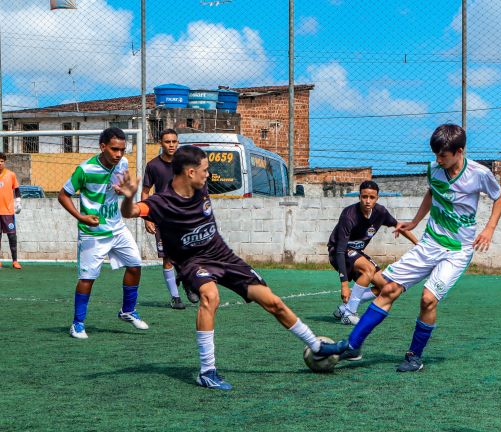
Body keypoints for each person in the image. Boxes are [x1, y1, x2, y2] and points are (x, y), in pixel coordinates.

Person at [117, 145, 328, 390]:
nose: (209, 175)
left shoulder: (201, 186)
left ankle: (317, 346)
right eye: (205, 170)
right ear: (190, 173)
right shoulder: (162, 202)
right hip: (192, 262)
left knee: (272, 302)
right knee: (210, 296)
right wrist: (130, 196)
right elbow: (132, 211)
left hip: (222, 255)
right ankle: (207, 371)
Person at [320, 124, 501, 372]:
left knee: (428, 300)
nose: (438, 160)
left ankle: (414, 356)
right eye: (436, 155)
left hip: (458, 250)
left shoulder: (479, 173)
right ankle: (352, 346)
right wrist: (417, 221)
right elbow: (432, 193)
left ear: (459, 151)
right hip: (430, 243)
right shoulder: (434, 170)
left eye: (443, 155)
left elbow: (500, 197)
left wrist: (489, 229)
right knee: (388, 289)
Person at [58, 127, 148, 339]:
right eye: (114, 149)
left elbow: (121, 186)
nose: (119, 154)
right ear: (103, 147)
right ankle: (77, 323)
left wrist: (122, 190)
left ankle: (127, 310)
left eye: (122, 150)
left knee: (135, 265)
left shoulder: (122, 164)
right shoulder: (85, 169)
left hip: (117, 227)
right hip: (93, 232)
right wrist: (81, 217)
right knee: (87, 278)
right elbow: (63, 195)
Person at [329, 180, 417, 325]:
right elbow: (339, 250)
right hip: (338, 251)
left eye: (371, 197)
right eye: (364, 197)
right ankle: (350, 313)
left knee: (386, 287)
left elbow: (399, 226)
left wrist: (418, 244)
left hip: (356, 252)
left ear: (377, 198)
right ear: (359, 197)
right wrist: (344, 284)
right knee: (368, 269)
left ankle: (346, 307)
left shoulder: (380, 212)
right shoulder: (349, 215)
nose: (367, 201)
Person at [141, 128, 191, 309]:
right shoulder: (153, 166)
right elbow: (145, 192)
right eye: (167, 141)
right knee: (167, 258)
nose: (171, 145)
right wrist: (147, 218)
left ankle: (186, 281)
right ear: (161, 143)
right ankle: (175, 297)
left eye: (174, 142)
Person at [0, 152, 22, 269]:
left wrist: (18, 202)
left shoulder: (11, 175)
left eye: (1, 161)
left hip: (8, 212)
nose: (0, 163)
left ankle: (15, 261)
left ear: (4, 162)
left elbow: (16, 189)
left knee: (12, 236)